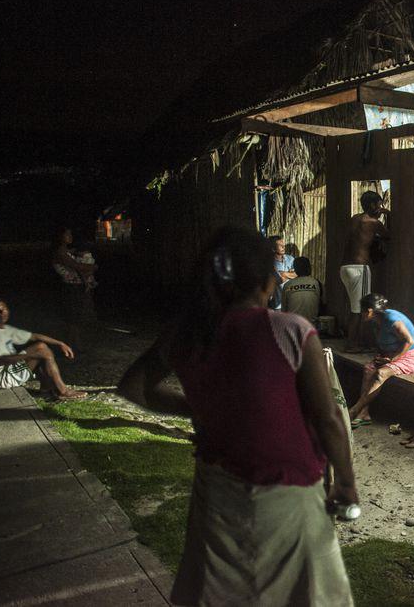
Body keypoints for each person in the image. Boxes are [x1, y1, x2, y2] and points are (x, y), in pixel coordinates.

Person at [116, 227, 356, 606]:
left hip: (219, 492)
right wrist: (345, 482)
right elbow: (327, 419)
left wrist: (197, 408)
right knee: (305, 593)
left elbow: (133, 386)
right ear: (266, 281)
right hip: (289, 494)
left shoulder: (187, 332)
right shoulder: (290, 330)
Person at [0, 297, 86, 399]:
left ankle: (45, 388)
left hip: (8, 368)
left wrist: (60, 343)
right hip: (1, 377)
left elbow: (34, 336)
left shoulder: (3, 329)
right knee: (42, 352)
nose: (2, 312)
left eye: (4, 309)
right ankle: (63, 391)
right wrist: (30, 356)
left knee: (40, 346)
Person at [347, 293, 414, 427]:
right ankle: (364, 413)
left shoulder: (392, 319)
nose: (361, 314)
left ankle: (355, 409)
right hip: (392, 355)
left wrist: (391, 360)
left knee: (381, 373)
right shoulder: (376, 321)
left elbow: (409, 341)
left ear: (369, 311)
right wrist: (382, 357)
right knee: (368, 369)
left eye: (362, 311)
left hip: (411, 356)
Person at [340, 191, 389, 351]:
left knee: (355, 307)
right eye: (379, 204)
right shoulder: (373, 222)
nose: (381, 207)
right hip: (359, 269)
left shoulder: (355, 218)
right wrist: (388, 215)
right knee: (360, 309)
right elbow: (388, 235)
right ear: (373, 205)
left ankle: (354, 342)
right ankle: (352, 345)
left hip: (345, 268)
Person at [51, 226, 97, 347]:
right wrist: (94, 267)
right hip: (69, 287)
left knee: (75, 317)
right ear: (60, 237)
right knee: (73, 318)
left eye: (70, 234)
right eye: (67, 235)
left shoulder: (66, 251)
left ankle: (74, 344)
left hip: (74, 286)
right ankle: (73, 345)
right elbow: (77, 266)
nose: (70, 237)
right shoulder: (60, 252)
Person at [283, 257, 324, 324]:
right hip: (311, 326)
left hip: (293, 325)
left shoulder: (287, 285)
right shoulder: (317, 283)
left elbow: (284, 310)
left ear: (296, 269)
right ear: (309, 268)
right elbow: (323, 305)